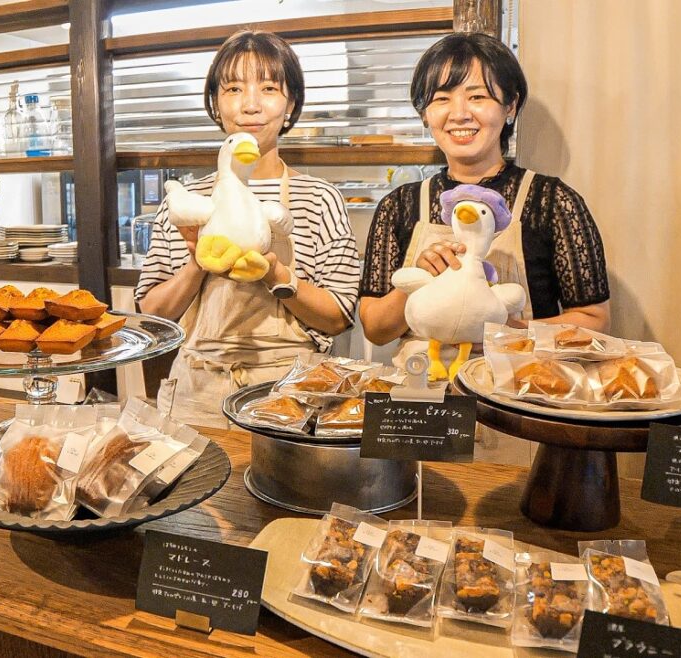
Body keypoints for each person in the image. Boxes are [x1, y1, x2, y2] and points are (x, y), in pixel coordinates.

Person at [136, 30, 361, 428]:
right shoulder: (187, 201)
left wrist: (275, 274)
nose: (251, 104)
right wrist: (197, 263)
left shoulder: (320, 198)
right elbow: (152, 317)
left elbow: (338, 316)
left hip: (292, 391)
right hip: (198, 392)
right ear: (216, 104)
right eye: (234, 88)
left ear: (290, 104)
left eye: (269, 88)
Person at [359, 32, 610, 368]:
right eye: (441, 98)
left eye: (477, 96)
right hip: (421, 399)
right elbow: (375, 329)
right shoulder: (398, 206)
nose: (459, 114)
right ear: (424, 114)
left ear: (510, 106)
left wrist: (510, 330)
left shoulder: (553, 201)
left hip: (518, 395)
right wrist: (417, 282)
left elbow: (594, 319)